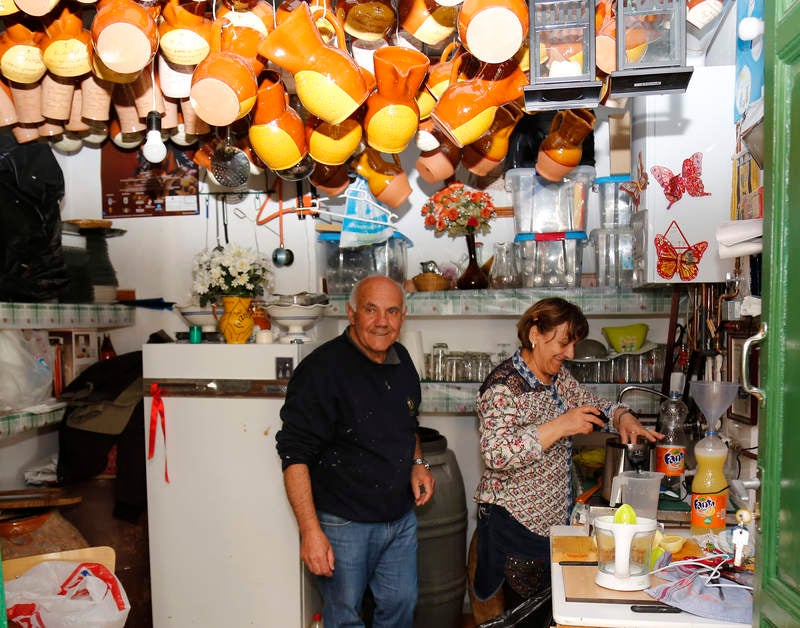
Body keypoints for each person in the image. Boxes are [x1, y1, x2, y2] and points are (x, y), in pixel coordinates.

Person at [471, 297, 663, 626]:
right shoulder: (503, 387)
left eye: (572, 343)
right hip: (513, 529)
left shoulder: (556, 378)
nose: (570, 353)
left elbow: (589, 403)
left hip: (549, 528)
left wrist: (621, 415)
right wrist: (562, 425)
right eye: (564, 342)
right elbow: (496, 452)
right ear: (535, 332)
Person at [276, 275, 436, 628]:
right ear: (351, 313)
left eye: (392, 311)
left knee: (401, 607)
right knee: (344, 616)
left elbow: (408, 421)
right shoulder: (321, 371)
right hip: (342, 523)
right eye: (371, 309)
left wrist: (417, 463)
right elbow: (294, 455)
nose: (382, 321)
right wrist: (310, 532)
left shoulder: (402, 358)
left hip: (399, 518)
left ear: (403, 316)